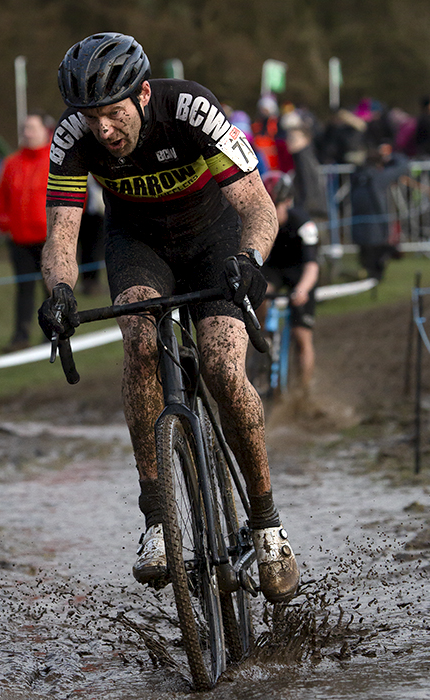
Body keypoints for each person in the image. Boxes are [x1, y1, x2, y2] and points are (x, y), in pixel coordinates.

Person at [37, 33, 299, 603]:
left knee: (224, 368)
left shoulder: (190, 111)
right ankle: (158, 519)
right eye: (91, 117)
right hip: (139, 245)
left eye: (113, 114)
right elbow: (62, 230)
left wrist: (250, 260)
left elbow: (258, 207)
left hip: (215, 241)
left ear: (143, 94)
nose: (104, 130)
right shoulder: (70, 139)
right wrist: (58, 291)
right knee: (138, 341)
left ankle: (268, 522)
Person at [0, 112, 53, 352]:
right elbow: (2, 196)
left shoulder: (55, 159)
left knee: (51, 289)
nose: (27, 133)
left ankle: (53, 335)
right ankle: (20, 335)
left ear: (45, 130)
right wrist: (5, 223)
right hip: (19, 239)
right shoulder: (12, 162)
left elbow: (76, 196)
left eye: (32, 128)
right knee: (24, 290)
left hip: (48, 238)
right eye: (25, 128)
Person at [259, 171, 320, 397]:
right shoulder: (261, 224)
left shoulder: (303, 224)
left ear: (287, 202)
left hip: (300, 273)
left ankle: (304, 390)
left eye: (274, 206)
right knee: (261, 292)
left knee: (302, 336)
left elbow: (312, 265)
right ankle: (262, 336)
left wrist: (302, 289)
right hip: (274, 270)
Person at [350, 142, 409, 281]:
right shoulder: (378, 177)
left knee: (367, 262)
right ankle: (374, 278)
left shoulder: (356, 175)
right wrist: (391, 156)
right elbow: (403, 165)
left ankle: (368, 276)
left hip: (359, 230)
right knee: (376, 266)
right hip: (376, 231)